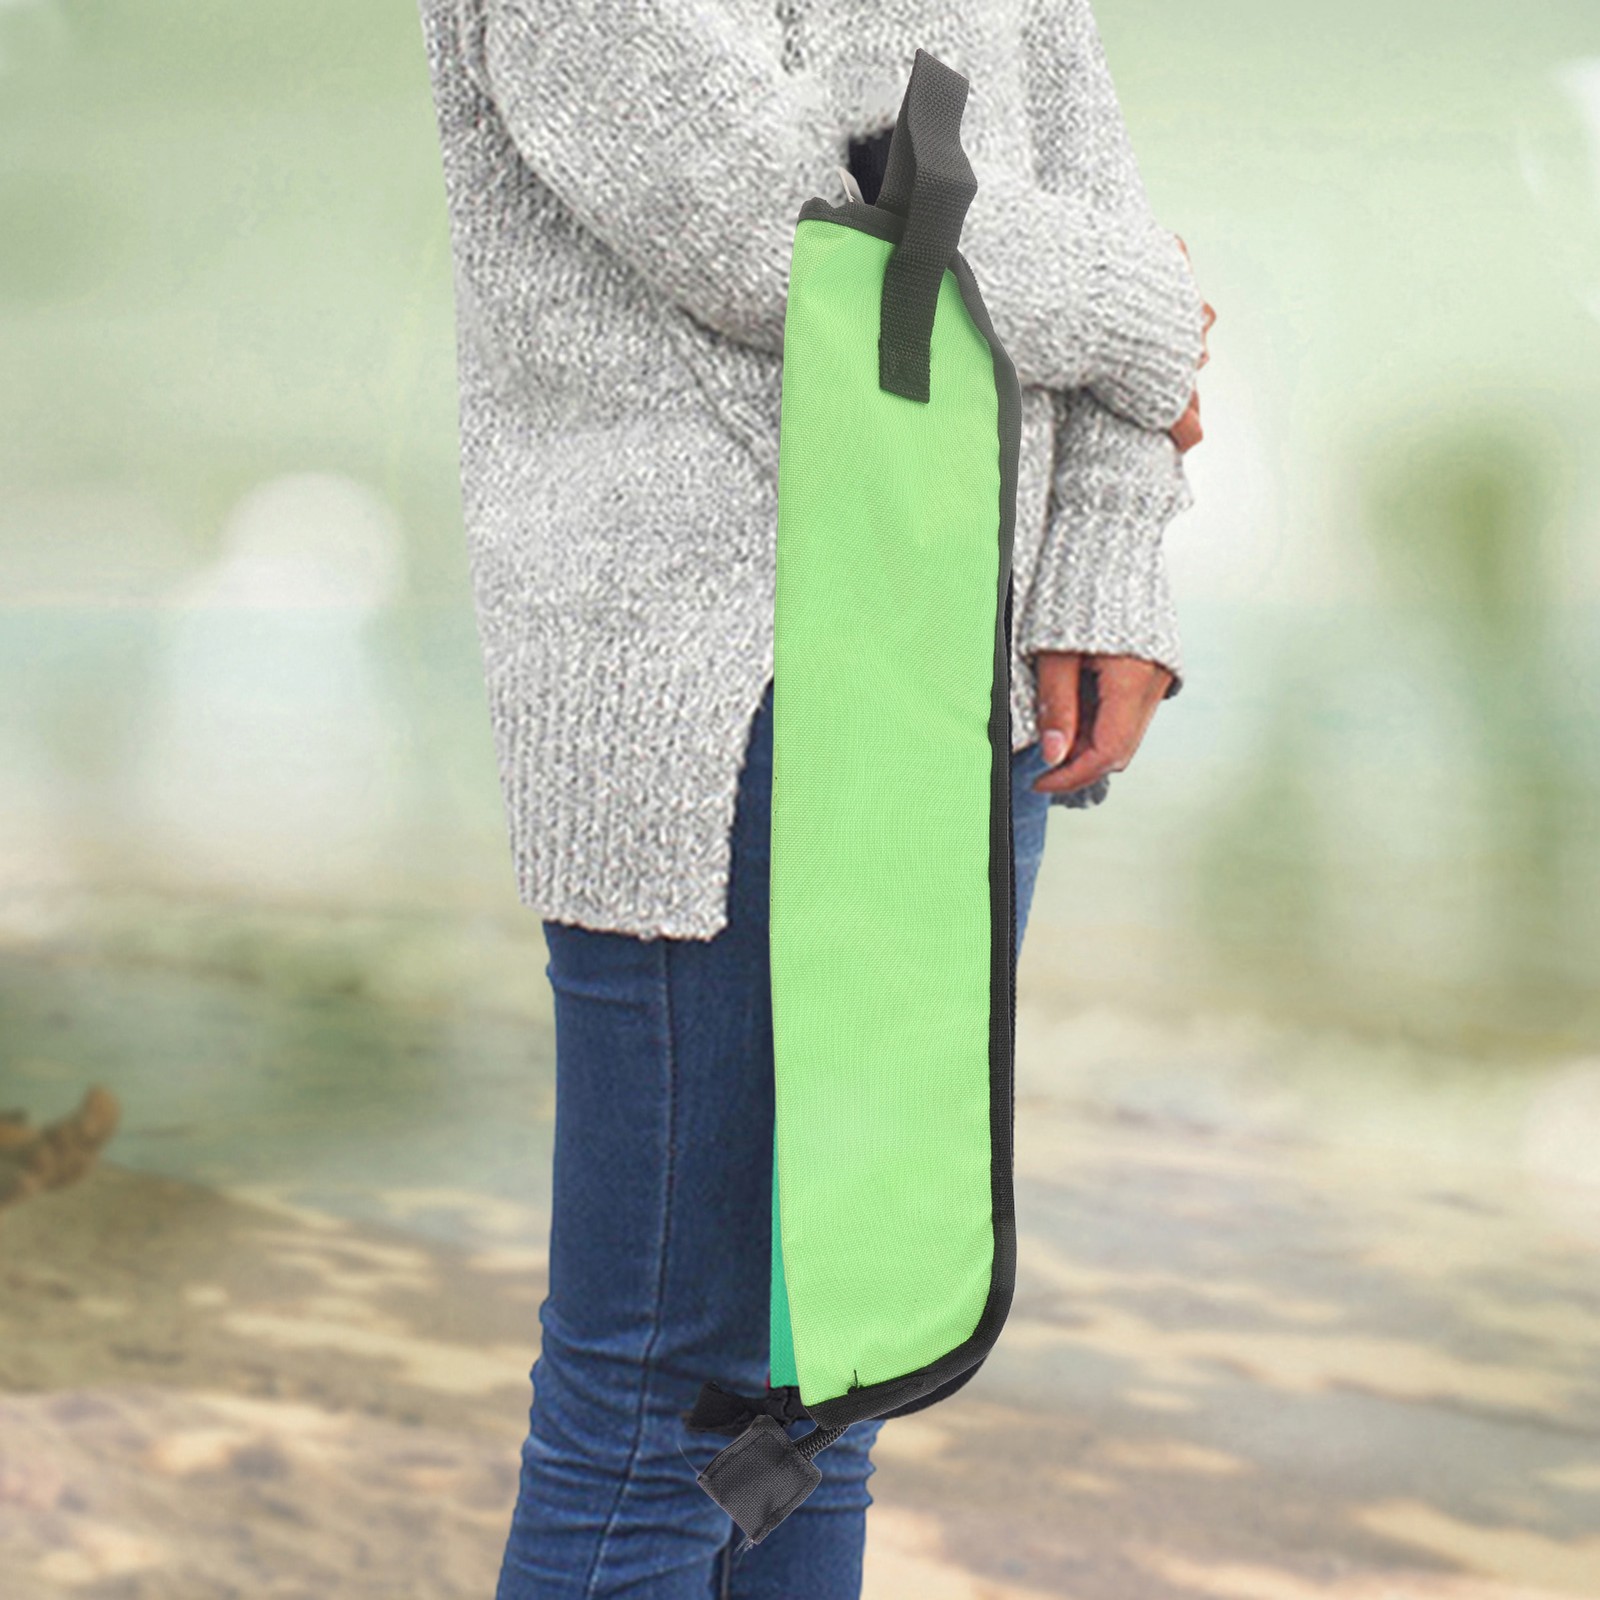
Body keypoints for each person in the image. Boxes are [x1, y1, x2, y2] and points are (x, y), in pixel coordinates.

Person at [416, 2, 1215, 1594]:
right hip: (719, 693)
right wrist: (1142, 311)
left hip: (965, 660)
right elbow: (772, 225)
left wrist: (1111, 550)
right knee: (666, 1401)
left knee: (843, 1369)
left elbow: (1083, 168)